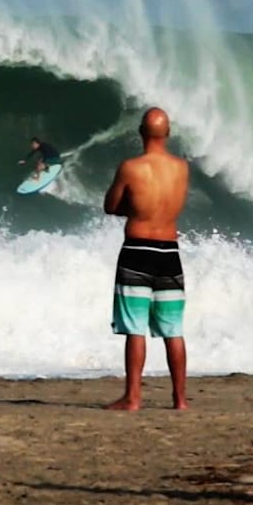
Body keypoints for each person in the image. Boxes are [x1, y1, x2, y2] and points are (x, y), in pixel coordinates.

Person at [103, 107, 189, 411]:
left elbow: (110, 206)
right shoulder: (181, 168)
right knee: (173, 329)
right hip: (169, 251)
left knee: (135, 327)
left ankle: (133, 396)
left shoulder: (130, 168)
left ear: (141, 133)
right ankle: (180, 399)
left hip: (138, 250)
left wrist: (134, 209)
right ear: (167, 133)